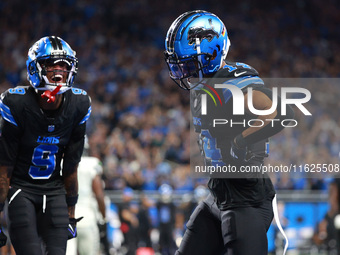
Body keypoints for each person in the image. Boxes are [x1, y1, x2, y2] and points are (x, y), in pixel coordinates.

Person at [164, 10, 294, 255]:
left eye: (190, 64)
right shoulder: (207, 86)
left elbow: (281, 113)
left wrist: (241, 139)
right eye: (180, 65)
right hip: (218, 196)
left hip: (247, 201)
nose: (184, 73)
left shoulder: (234, 82)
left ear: (212, 53)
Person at [0, 36, 91, 255]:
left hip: (54, 190)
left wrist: (71, 213)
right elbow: (4, 169)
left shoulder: (79, 104)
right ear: (35, 68)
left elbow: (71, 165)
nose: (59, 71)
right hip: (21, 189)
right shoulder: (16, 103)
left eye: (64, 65)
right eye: (52, 64)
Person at [66, 148, 109, 255]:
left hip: (67, 217)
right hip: (87, 218)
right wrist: (104, 218)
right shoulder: (91, 164)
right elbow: (99, 195)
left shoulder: (64, 163)